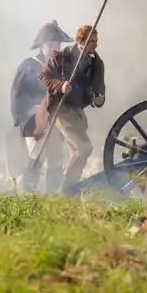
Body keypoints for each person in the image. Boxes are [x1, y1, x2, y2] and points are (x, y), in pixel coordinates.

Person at [32, 24, 106, 192]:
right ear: (82, 42)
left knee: (71, 153)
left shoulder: (97, 63)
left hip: (78, 111)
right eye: (92, 41)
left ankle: (63, 189)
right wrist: (60, 86)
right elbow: (43, 77)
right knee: (84, 147)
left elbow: (99, 87)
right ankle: (66, 188)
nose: (96, 44)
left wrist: (99, 98)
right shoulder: (61, 57)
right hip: (60, 110)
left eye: (96, 40)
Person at [8, 20, 73, 192]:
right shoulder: (29, 65)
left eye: (57, 43)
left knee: (56, 158)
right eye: (50, 43)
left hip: (56, 120)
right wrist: (20, 122)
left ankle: (51, 196)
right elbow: (16, 95)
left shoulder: (62, 67)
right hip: (33, 121)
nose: (54, 47)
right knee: (36, 157)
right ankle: (28, 195)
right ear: (42, 45)